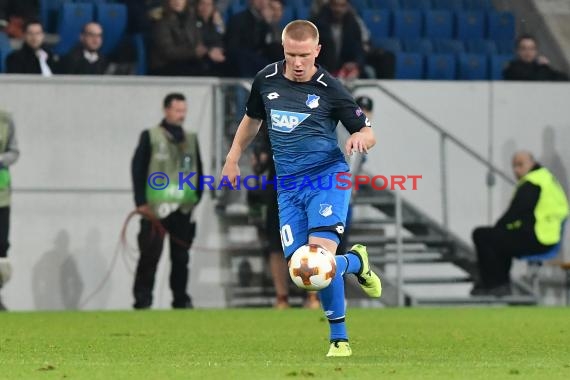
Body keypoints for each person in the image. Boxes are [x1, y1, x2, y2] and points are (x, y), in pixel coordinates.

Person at [221, 20, 381, 357]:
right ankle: (355, 262)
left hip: (327, 178)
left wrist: (358, 136)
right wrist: (233, 157)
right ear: (283, 50)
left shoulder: (330, 87)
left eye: (304, 55)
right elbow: (252, 120)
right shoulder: (266, 79)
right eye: (292, 54)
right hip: (289, 186)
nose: (297, 63)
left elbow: (368, 131)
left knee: (318, 261)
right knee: (301, 270)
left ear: (317, 51)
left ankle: (339, 339)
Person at [130, 93, 203, 309]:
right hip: (155, 209)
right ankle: (142, 300)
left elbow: (199, 169)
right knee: (149, 256)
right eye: (178, 110)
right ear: (166, 110)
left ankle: (180, 299)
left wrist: (196, 197)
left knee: (181, 258)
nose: (182, 115)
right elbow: (138, 169)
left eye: (184, 110)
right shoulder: (150, 136)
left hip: (183, 208)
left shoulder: (190, 138)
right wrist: (141, 203)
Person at [471, 151, 569, 296]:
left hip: (538, 238)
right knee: (500, 240)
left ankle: (495, 284)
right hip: (547, 237)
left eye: (520, 165)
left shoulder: (533, 182)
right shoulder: (545, 178)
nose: (516, 170)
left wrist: (498, 228)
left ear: (532, 163)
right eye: (514, 166)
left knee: (481, 235)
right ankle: (499, 284)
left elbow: (515, 212)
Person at [250, 123, 320, 309]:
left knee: (309, 244)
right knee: (276, 244)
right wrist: (259, 160)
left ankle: (312, 295)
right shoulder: (272, 127)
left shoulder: (312, 125)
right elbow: (260, 163)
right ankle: (282, 297)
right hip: (278, 192)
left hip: (307, 189)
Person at [0, 109, 19, 311]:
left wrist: (1, 159)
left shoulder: (5, 118)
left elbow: (15, 151)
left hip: (1, 194)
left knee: (1, 245)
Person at [503, 35, 568, 81]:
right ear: (518, 51)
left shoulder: (539, 67)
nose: (528, 52)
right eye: (524, 48)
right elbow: (535, 80)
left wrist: (545, 67)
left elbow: (563, 78)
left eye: (532, 49)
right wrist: (544, 67)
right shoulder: (511, 68)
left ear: (536, 51)